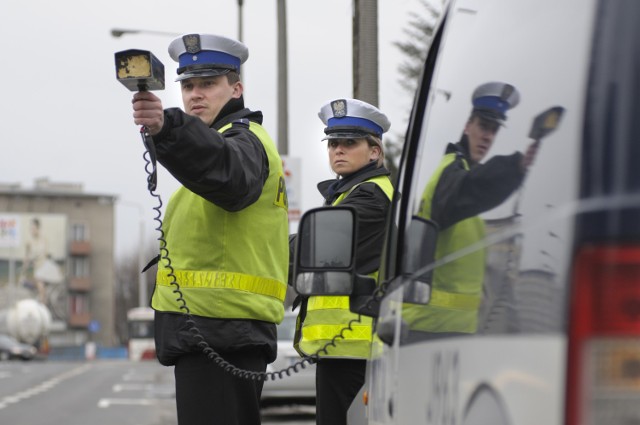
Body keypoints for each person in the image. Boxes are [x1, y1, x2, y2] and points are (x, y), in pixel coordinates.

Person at [130, 33, 289, 425]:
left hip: (221, 329)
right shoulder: (224, 141)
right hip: (216, 330)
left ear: (236, 88)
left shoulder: (245, 141)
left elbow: (229, 174)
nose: (195, 94)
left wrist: (168, 127)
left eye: (208, 83)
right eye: (187, 85)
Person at [407, 81, 539, 336]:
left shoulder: (462, 176)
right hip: (430, 329)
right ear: (467, 127)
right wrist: (516, 166)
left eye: (494, 130)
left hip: (453, 331)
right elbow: (472, 188)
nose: (488, 136)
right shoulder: (451, 174)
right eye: (483, 126)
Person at [292, 98, 394, 425]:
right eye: (334, 143)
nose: (338, 150)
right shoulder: (349, 193)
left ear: (374, 151)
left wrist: (268, 246)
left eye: (350, 143)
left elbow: (317, 245)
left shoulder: (371, 195)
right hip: (344, 348)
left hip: (355, 348)